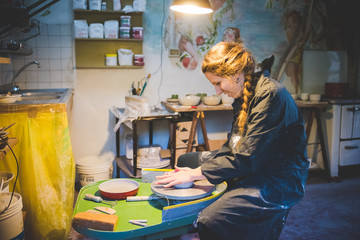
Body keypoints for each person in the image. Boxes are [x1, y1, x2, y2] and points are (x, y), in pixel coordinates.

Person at [155, 41, 309, 240]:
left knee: (211, 220)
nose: (217, 91)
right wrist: (197, 172)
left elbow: (247, 157)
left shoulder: (270, 95)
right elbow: (234, 145)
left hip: (280, 175)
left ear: (235, 73)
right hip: (256, 161)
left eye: (218, 83)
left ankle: (210, 223)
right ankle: (189, 214)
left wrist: (197, 175)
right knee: (188, 161)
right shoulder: (244, 94)